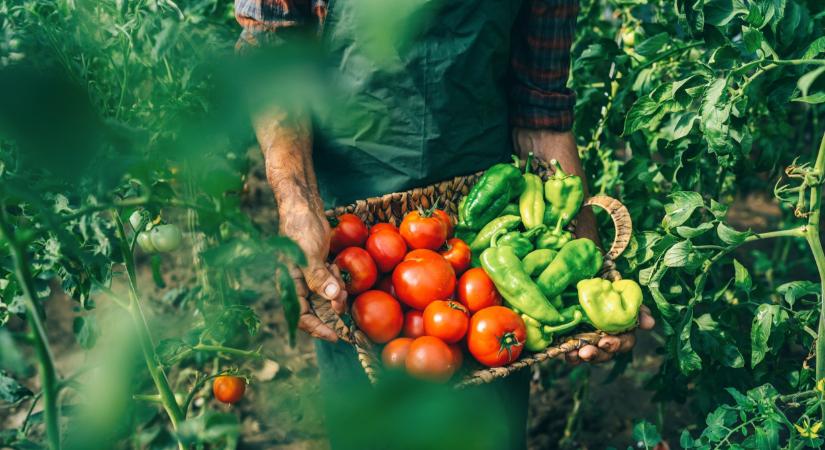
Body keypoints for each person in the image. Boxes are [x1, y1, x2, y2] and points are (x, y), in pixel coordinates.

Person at [236, 0, 655, 448]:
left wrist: (586, 274)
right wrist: (297, 206)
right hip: (354, 231)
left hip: (481, 226)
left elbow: (542, 107)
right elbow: (270, 49)